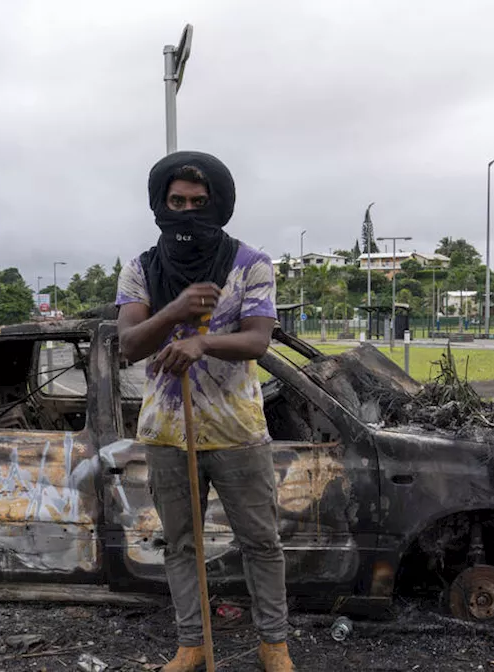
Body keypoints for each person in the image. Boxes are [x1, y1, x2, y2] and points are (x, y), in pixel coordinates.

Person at [115, 151, 294, 672]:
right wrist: (175, 310)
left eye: (199, 201)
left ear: (218, 203)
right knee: (181, 544)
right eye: (177, 201)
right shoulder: (141, 268)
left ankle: (274, 644)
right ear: (160, 204)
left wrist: (203, 342)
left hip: (238, 430)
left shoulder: (250, 263)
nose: (188, 211)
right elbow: (129, 343)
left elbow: (259, 341)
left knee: (261, 543)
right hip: (169, 433)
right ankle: (192, 644)